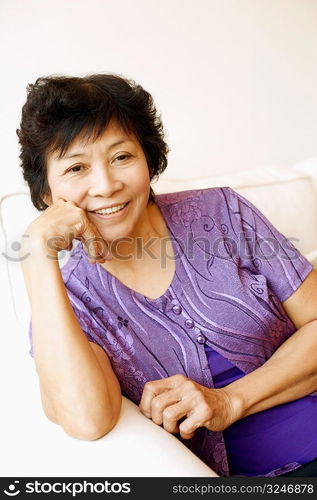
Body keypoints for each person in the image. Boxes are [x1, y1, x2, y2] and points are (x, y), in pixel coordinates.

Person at [17, 73, 317, 478]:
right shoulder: (70, 297)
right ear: (49, 195)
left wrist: (230, 401)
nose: (106, 185)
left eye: (121, 156)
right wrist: (37, 258)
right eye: (76, 167)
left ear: (148, 158)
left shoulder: (222, 213)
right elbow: (86, 419)